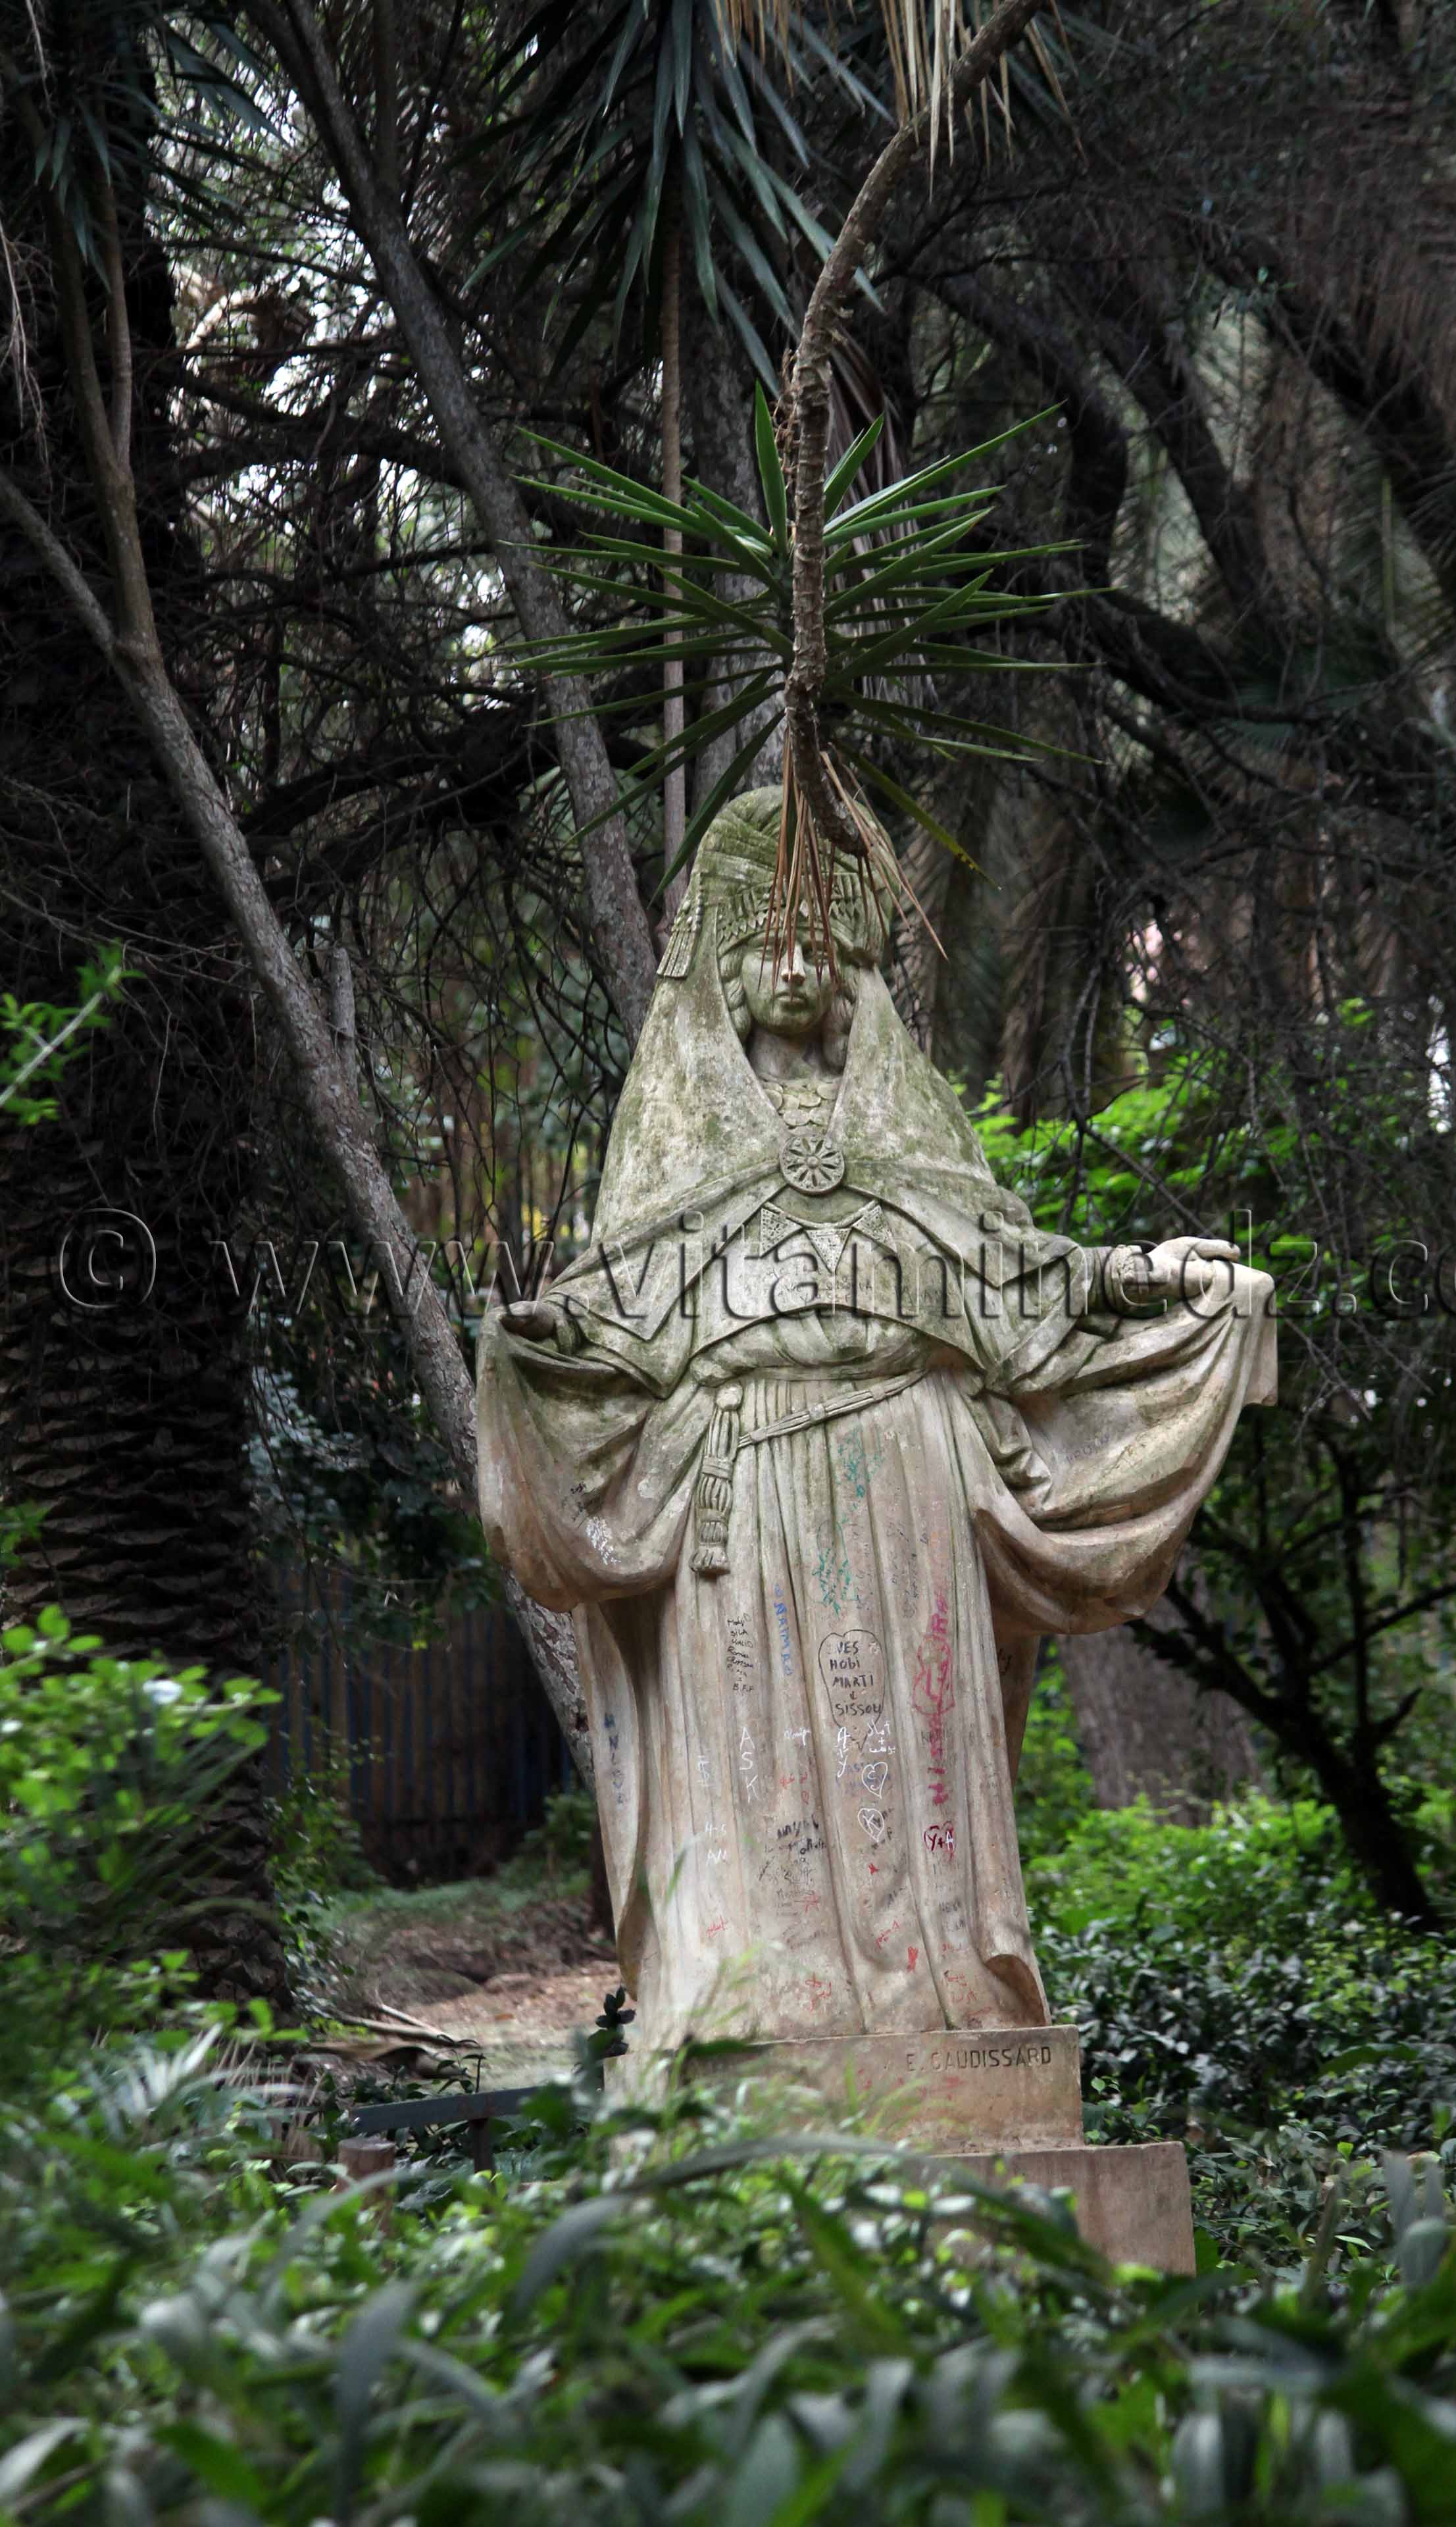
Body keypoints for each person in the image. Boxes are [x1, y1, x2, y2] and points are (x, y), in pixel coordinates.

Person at [478, 787, 1273, 2049]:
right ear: (725, 971)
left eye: (820, 944)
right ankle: (750, 2010)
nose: (795, 967)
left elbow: (1023, 1279)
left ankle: (944, 1994)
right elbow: (619, 1312)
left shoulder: (914, 1147)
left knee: (911, 1758)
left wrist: (1153, 1273)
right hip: (742, 1495)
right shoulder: (680, 1158)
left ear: (856, 971)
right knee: (761, 1771)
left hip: (908, 1479)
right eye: (766, 942)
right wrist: (544, 1343)